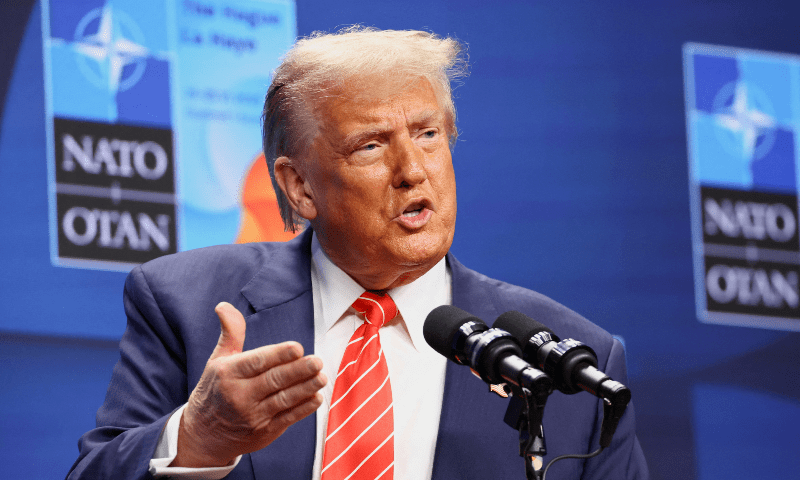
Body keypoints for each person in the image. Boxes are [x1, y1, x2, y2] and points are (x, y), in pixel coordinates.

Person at [67, 27, 648, 480]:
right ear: (300, 188)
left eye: (428, 135)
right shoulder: (185, 304)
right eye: (371, 146)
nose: (413, 170)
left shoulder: (576, 363)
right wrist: (199, 436)